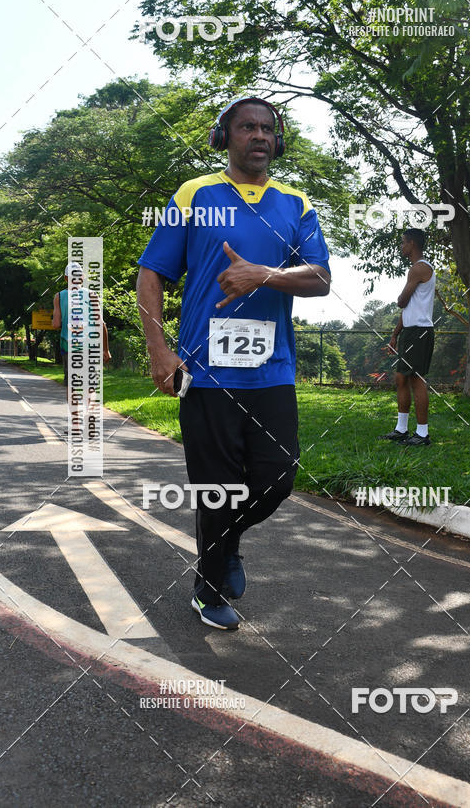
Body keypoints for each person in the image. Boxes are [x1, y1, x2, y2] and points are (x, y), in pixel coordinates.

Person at [136, 96, 331, 631]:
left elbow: (320, 279)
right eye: (247, 127)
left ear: (279, 140)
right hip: (206, 370)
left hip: (272, 371)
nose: (259, 136)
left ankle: (225, 545)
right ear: (225, 137)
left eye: (268, 129)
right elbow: (151, 273)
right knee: (216, 486)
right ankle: (208, 585)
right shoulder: (195, 194)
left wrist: (263, 275)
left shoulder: (296, 203)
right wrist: (159, 348)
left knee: (276, 477)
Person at [380, 228, 435, 446]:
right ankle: (401, 429)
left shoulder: (420, 268)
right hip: (410, 331)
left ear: (412, 244)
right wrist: (395, 334)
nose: (401, 246)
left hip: (420, 332)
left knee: (416, 379)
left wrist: (398, 298)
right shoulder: (415, 269)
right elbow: (408, 308)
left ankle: (422, 434)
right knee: (401, 378)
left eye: (403, 242)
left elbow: (402, 301)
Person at [52, 262, 111, 401]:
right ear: (82, 277)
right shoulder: (92, 295)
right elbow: (101, 323)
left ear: (66, 278)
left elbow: (55, 324)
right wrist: (106, 349)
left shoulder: (59, 296)